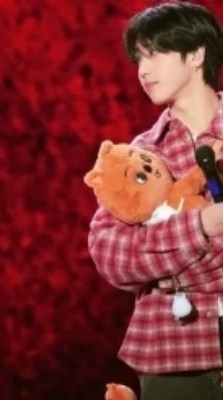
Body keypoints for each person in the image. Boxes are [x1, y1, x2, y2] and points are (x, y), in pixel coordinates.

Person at [88, 2, 223, 400]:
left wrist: (170, 276)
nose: (143, 71)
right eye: (139, 59)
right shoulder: (140, 156)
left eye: (156, 54)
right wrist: (202, 226)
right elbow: (110, 255)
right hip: (173, 354)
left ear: (196, 54)